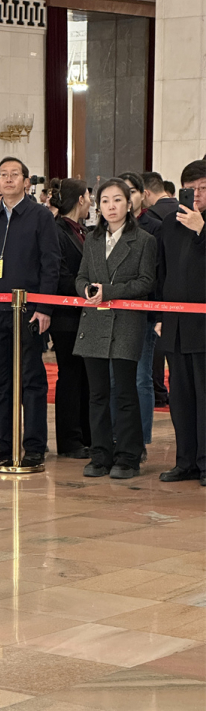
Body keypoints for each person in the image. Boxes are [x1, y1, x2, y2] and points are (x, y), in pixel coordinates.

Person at [0, 157, 60, 467]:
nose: (8, 179)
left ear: (26, 181)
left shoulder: (40, 216)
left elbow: (51, 264)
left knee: (31, 379)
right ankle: (3, 443)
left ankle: (34, 445)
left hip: (28, 309)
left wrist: (44, 307)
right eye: (3, 175)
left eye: (14, 174)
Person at [74, 178, 156, 479]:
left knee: (124, 392)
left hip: (126, 322)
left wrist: (108, 291)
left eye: (117, 200)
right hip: (94, 320)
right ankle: (100, 455)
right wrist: (86, 290)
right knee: (97, 394)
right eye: (105, 201)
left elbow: (146, 282)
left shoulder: (144, 240)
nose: (111, 206)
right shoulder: (92, 239)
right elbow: (81, 276)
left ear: (129, 204)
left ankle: (128, 457)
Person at [156, 159, 206, 486]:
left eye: (203, 188)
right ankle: (185, 461)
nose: (197, 195)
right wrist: (161, 315)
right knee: (181, 399)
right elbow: (162, 271)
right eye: (191, 189)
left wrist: (202, 229)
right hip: (175, 325)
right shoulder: (169, 225)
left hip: (203, 327)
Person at [119, 171, 162, 454]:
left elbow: (157, 273)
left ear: (142, 194)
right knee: (116, 380)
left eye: (131, 192)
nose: (125, 198)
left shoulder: (154, 227)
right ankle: (117, 437)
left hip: (143, 313)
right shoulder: (107, 228)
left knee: (141, 378)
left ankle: (141, 440)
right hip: (112, 315)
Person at [49, 178, 91, 458]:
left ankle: (86, 435)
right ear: (80, 199)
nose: (91, 203)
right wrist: (86, 288)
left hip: (84, 314)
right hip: (66, 316)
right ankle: (69, 440)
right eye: (89, 196)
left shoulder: (83, 230)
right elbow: (59, 273)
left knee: (85, 377)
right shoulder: (57, 231)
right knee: (70, 376)